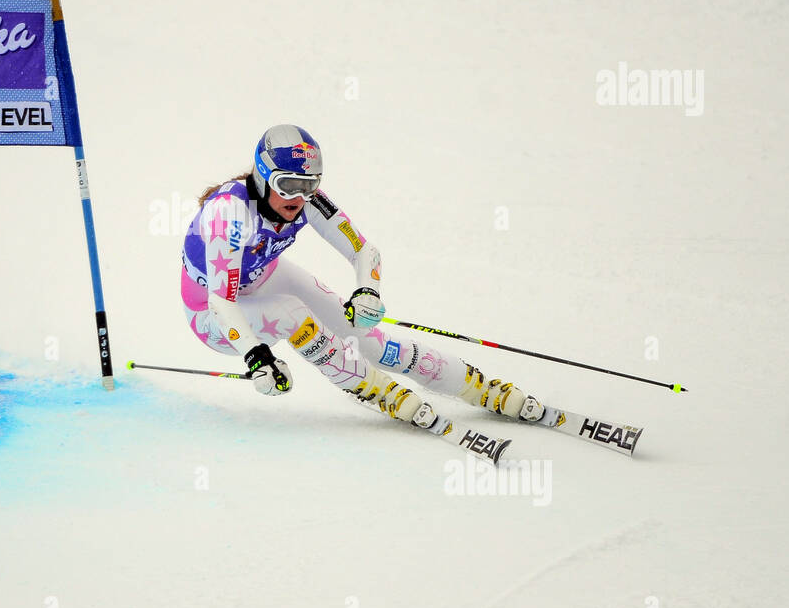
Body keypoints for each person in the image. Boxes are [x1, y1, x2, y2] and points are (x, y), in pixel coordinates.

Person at [180, 124, 547, 432]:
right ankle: (379, 390)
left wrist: (367, 290)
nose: (299, 198)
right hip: (212, 312)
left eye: (309, 186)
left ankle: (477, 387)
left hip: (262, 277)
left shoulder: (309, 201)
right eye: (288, 185)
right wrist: (257, 357)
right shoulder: (229, 216)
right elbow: (221, 300)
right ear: (262, 177)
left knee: (367, 340)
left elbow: (363, 250)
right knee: (293, 315)